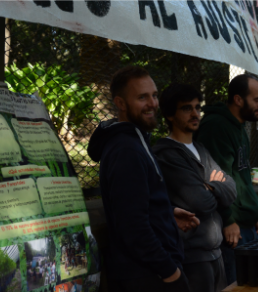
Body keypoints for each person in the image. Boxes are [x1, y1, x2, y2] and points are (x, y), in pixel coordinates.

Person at [87, 66, 198, 292]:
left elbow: (136, 204)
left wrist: (166, 212)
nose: (152, 103)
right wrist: (170, 272)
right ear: (120, 103)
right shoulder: (126, 150)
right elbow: (132, 226)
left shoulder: (136, 140)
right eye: (142, 97)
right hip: (147, 276)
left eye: (154, 95)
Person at [152, 84, 237, 292]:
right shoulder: (167, 154)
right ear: (170, 115)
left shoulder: (201, 149)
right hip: (192, 256)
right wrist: (215, 187)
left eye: (197, 107)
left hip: (216, 252)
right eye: (186, 108)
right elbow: (201, 201)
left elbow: (232, 189)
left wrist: (210, 187)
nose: (195, 113)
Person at [194, 74, 258, 284]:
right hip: (231, 229)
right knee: (237, 284)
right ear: (238, 100)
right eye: (257, 100)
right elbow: (215, 180)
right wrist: (229, 219)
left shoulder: (240, 126)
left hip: (246, 224)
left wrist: (251, 212)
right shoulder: (217, 127)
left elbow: (240, 174)